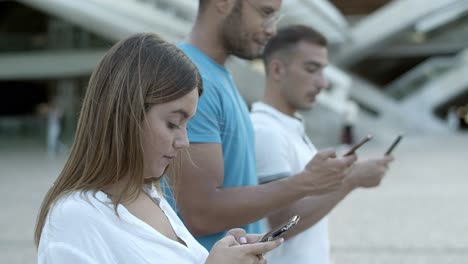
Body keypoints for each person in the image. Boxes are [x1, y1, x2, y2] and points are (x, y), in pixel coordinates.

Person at [34, 33, 283, 264]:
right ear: (126, 115)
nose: (184, 141)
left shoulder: (152, 196)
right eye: (173, 123)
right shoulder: (74, 218)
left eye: (187, 125)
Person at [170, 0, 357, 250]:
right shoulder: (193, 79)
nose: (271, 30)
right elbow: (201, 214)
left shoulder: (217, 76)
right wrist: (306, 182)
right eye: (265, 12)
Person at [251, 25, 394, 264]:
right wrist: (351, 179)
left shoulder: (288, 126)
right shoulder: (266, 132)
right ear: (277, 69)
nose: (323, 83)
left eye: (323, 71)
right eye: (311, 69)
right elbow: (281, 223)